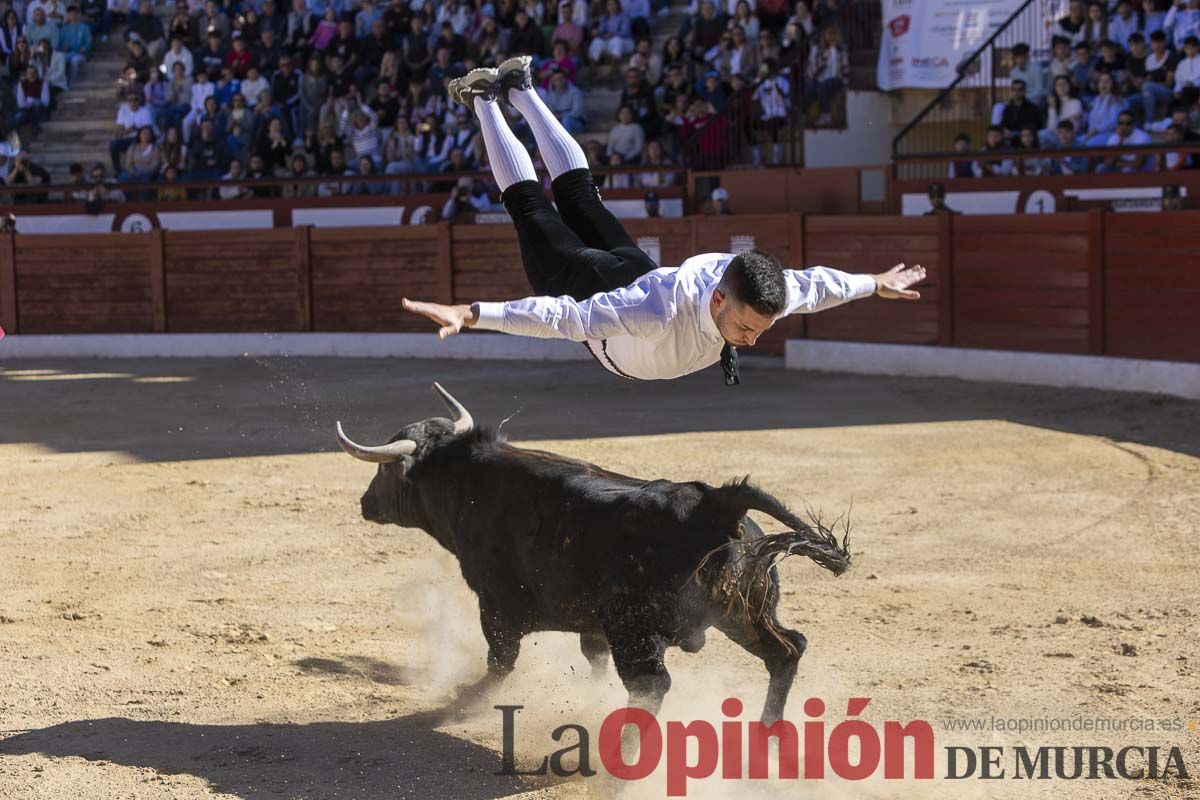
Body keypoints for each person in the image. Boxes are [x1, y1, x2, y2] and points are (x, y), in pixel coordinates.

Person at [399, 57, 926, 384]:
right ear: (720, 297)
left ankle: (520, 87)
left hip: (638, 273)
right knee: (534, 207)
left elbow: (814, 285)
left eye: (759, 329)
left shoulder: (755, 291)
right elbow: (566, 319)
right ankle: (488, 97)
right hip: (611, 298)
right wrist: (471, 314)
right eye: (746, 326)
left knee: (580, 197)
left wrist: (875, 283)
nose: (751, 339)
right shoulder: (658, 312)